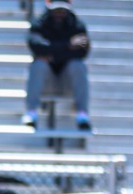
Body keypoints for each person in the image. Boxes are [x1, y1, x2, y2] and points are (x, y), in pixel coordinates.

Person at [24, 0, 92, 132]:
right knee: (38, 65)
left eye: (62, 10)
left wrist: (51, 52)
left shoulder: (77, 26)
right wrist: (67, 46)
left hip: (68, 82)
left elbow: (82, 50)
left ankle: (82, 114)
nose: (59, 14)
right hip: (46, 82)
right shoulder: (39, 24)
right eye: (56, 10)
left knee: (77, 65)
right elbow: (36, 45)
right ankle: (31, 112)